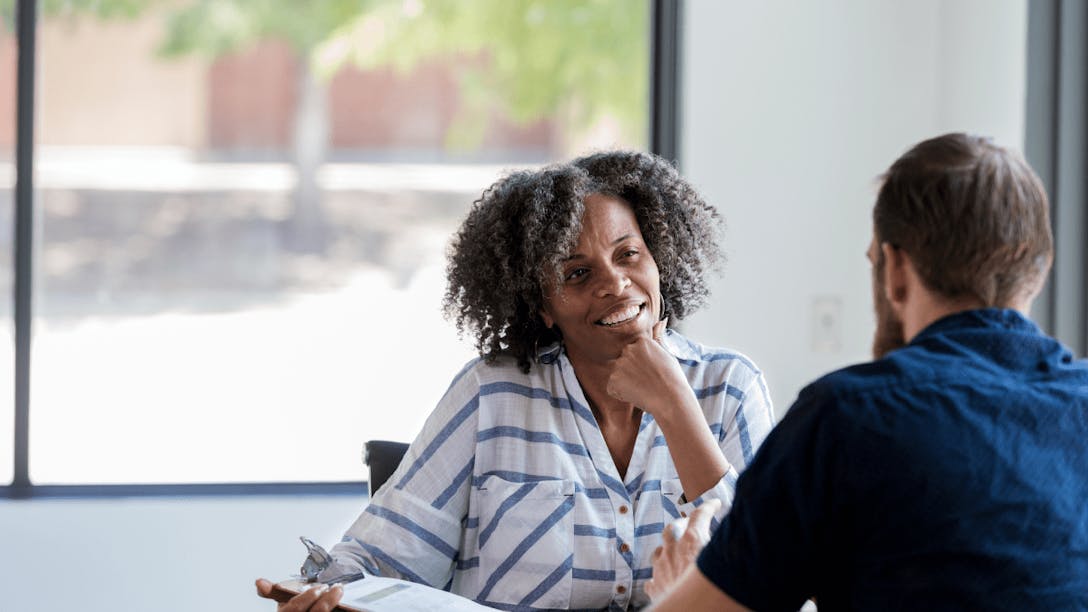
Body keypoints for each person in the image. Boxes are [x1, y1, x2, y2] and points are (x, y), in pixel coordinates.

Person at [256, 150, 776, 610]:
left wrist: (675, 405)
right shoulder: (491, 395)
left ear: (658, 257)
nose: (616, 285)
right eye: (577, 273)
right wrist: (326, 597)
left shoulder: (729, 389)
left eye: (628, 254)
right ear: (542, 307)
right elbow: (379, 557)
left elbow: (767, 576)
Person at [646, 133, 1088, 611]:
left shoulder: (845, 418)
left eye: (875, 259)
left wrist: (677, 590)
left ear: (895, 268)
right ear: (1038, 270)